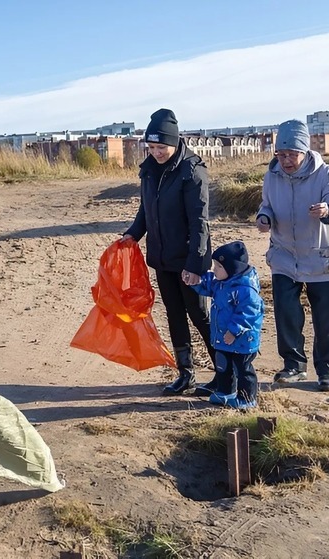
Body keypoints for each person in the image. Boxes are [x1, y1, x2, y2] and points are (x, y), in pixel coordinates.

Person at [122, 108, 216, 395]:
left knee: (200, 316)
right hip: (162, 259)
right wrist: (132, 235)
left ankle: (226, 373)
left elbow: (200, 222)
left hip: (189, 259)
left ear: (175, 143)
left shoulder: (192, 171)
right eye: (151, 147)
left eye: (161, 147)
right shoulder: (149, 170)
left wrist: (195, 265)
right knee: (174, 315)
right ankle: (186, 373)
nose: (156, 153)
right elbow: (146, 210)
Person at [256, 119, 329, 392]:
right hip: (284, 255)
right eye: (280, 155)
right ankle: (294, 365)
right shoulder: (271, 175)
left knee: (326, 319)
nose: (285, 160)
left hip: (322, 258)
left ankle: (326, 369)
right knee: (286, 312)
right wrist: (264, 218)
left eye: (291, 155)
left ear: (305, 152)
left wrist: (327, 211)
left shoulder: (324, 173)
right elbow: (267, 205)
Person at [192, 241, 264, 409]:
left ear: (232, 268)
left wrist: (234, 331)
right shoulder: (221, 282)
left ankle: (247, 398)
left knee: (243, 369)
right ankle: (225, 392)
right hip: (223, 338)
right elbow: (208, 284)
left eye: (218, 266)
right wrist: (195, 281)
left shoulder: (246, 290)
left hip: (242, 340)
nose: (214, 270)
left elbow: (249, 314)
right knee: (223, 366)